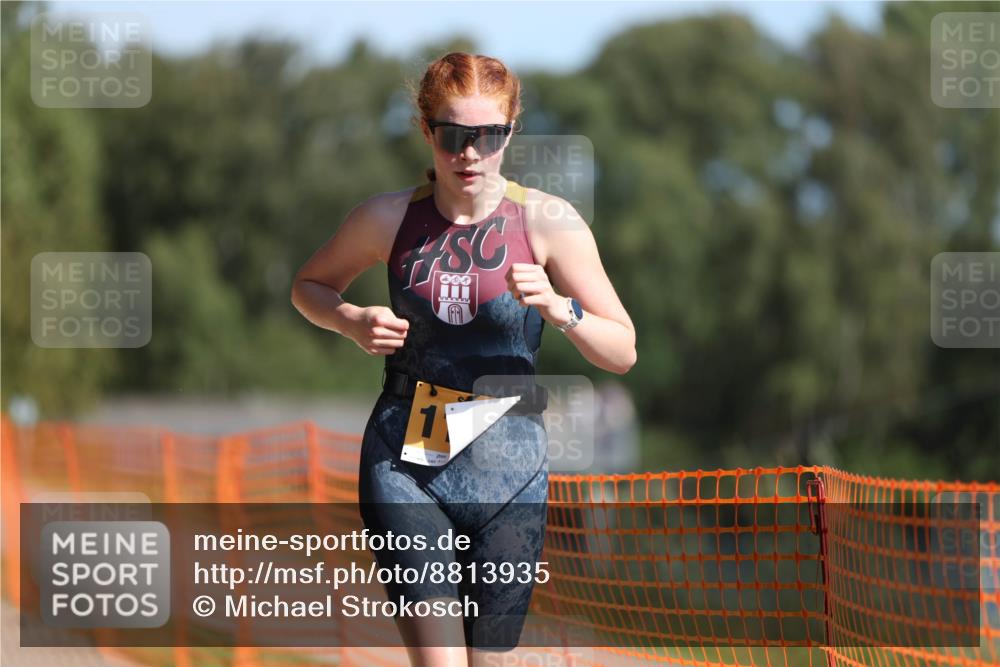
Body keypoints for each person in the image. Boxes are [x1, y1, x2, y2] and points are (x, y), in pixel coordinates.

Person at [291, 51, 636, 667]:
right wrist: (350, 320)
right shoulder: (388, 218)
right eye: (453, 136)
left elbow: (623, 350)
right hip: (408, 461)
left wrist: (561, 310)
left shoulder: (548, 221)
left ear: (510, 132)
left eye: (488, 136)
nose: (470, 154)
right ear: (426, 131)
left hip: (511, 467)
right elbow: (309, 287)